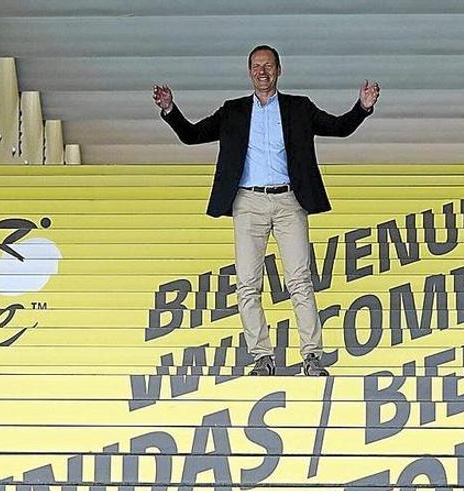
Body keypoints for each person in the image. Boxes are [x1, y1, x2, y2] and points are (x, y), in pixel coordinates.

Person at [153, 45, 380, 376]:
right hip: (248, 203)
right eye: (256, 66)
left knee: (300, 280)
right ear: (249, 72)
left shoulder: (298, 107)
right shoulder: (233, 111)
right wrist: (170, 109)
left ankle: (312, 356)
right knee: (247, 283)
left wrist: (362, 107)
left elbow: (339, 127)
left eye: (268, 66)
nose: (263, 71)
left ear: (279, 70)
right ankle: (262, 356)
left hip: (289, 201)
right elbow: (192, 135)